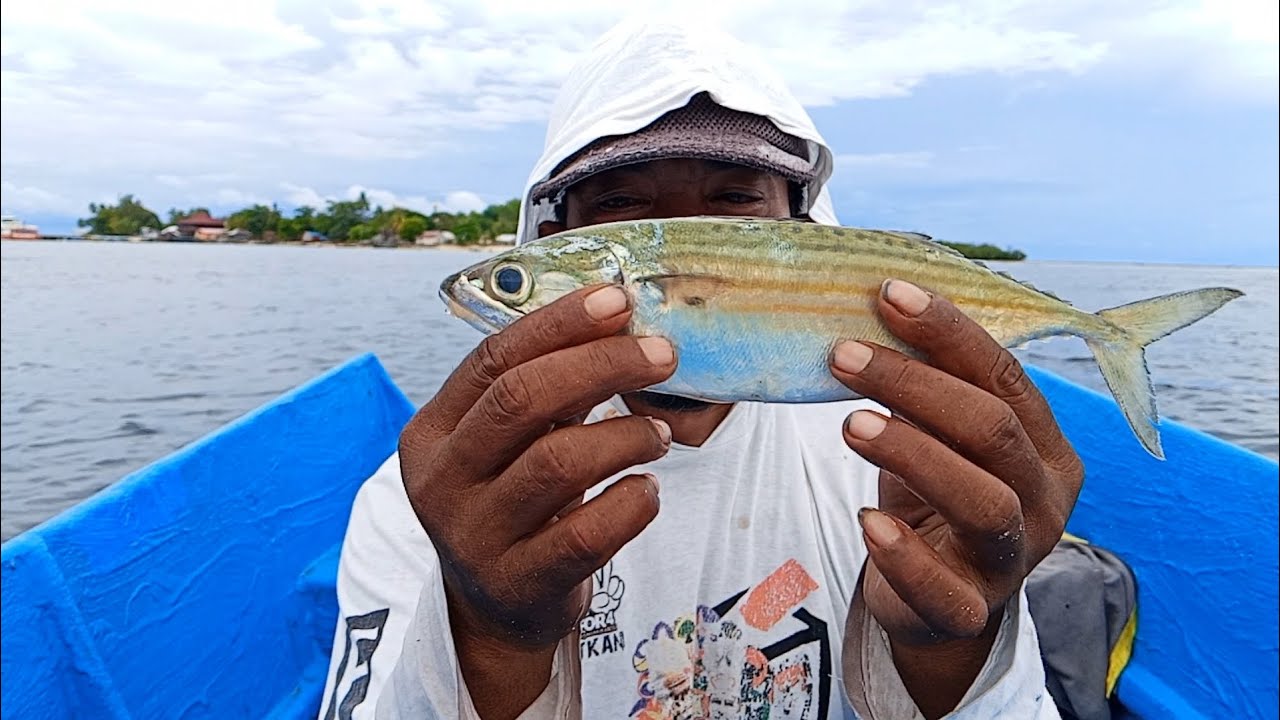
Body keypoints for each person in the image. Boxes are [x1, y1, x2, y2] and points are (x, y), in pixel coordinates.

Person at [317, 19, 1093, 720]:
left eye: (734, 198)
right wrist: (488, 635)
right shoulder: (435, 504)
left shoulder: (904, 455)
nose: (689, 243)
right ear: (556, 236)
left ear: (801, 226)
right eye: (623, 201)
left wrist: (950, 647)